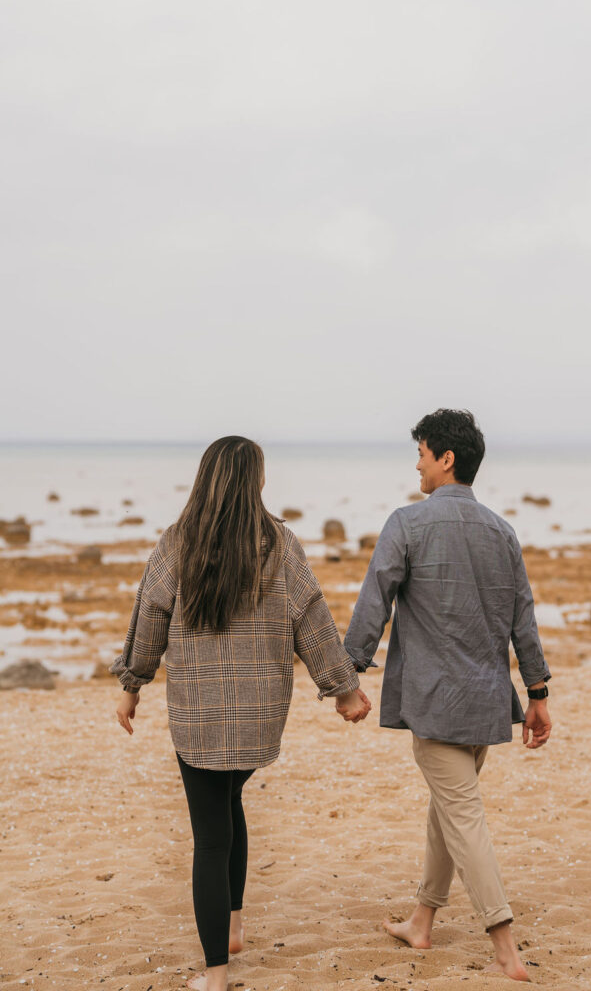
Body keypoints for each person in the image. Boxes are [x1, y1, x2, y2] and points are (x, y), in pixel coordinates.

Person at [110, 436, 371, 991]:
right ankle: (232, 926)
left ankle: (216, 975)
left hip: (198, 716)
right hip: (259, 713)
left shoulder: (177, 543)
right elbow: (312, 618)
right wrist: (343, 689)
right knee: (230, 802)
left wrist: (132, 685)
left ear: (205, 479)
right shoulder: (279, 542)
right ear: (252, 482)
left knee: (210, 833)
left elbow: (149, 617)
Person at [343, 409, 552, 983]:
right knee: (449, 809)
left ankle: (505, 946)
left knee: (461, 814)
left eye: (421, 452)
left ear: (446, 458)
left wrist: (347, 674)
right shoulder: (501, 532)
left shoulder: (406, 524)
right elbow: (523, 620)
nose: (416, 463)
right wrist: (536, 692)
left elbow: (372, 604)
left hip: (435, 705)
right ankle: (421, 920)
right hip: (487, 703)